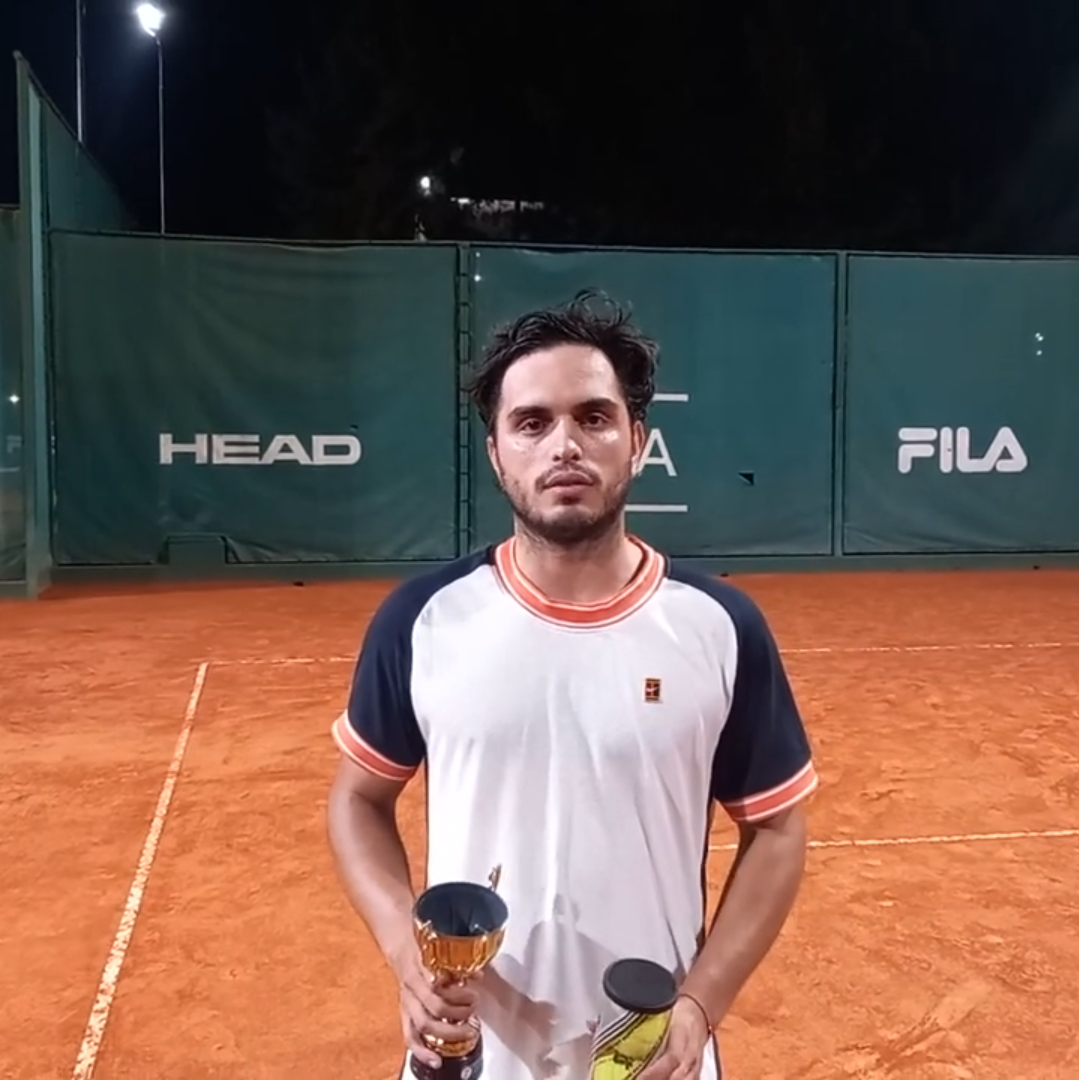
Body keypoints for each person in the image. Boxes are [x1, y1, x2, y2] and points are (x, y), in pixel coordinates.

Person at [327, 290, 818, 1080]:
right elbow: (358, 799)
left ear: (636, 441)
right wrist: (404, 952)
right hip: (469, 1054)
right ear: (496, 453)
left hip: (649, 1057)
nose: (564, 445)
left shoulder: (719, 626)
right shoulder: (422, 619)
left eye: (593, 417)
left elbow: (778, 827)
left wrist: (700, 1005)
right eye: (531, 423)